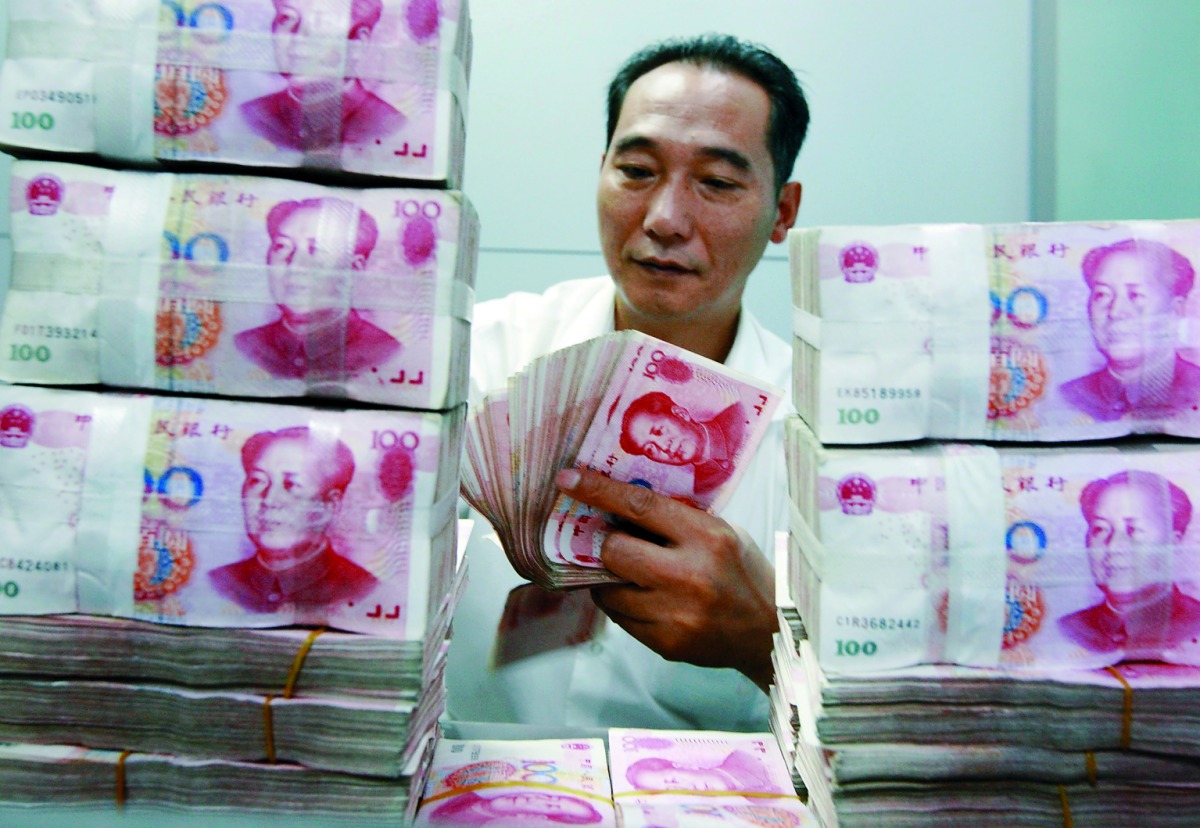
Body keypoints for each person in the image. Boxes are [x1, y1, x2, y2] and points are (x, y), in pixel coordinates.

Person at [447, 33, 806, 730]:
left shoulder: (819, 443)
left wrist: (763, 641)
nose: (665, 219)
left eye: (719, 183)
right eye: (636, 169)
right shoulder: (479, 360)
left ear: (782, 212)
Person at [209, 426, 378, 611]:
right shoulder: (216, 584)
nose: (269, 500)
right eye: (257, 481)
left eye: (291, 485)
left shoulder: (365, 591)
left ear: (330, 505)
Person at [234, 197, 401, 381]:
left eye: (317, 249)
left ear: (354, 270)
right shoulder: (242, 346)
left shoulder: (386, 353)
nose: (295, 266)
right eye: (282, 246)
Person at [1058, 470, 1200, 658]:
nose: (1113, 546)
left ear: (1172, 544)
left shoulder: (1195, 624)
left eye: (1133, 529)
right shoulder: (1070, 629)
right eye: (1100, 529)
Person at [1059, 239, 1200, 421]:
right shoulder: (1069, 396)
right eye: (1102, 294)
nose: (1116, 312)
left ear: (1174, 311)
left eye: (1135, 295)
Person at [240, 0, 406, 151]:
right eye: (286, 19)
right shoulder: (252, 116)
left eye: (319, 22)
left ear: (357, 44)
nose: (297, 38)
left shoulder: (388, 125)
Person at [618, 391, 746, 495]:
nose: (663, 447)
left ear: (681, 414)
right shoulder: (702, 489)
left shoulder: (739, 417)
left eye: (659, 431)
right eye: (650, 449)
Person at [625, 750, 777, 793]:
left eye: (673, 781)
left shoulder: (745, 757)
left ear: (684, 766)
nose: (686, 789)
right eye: (672, 791)